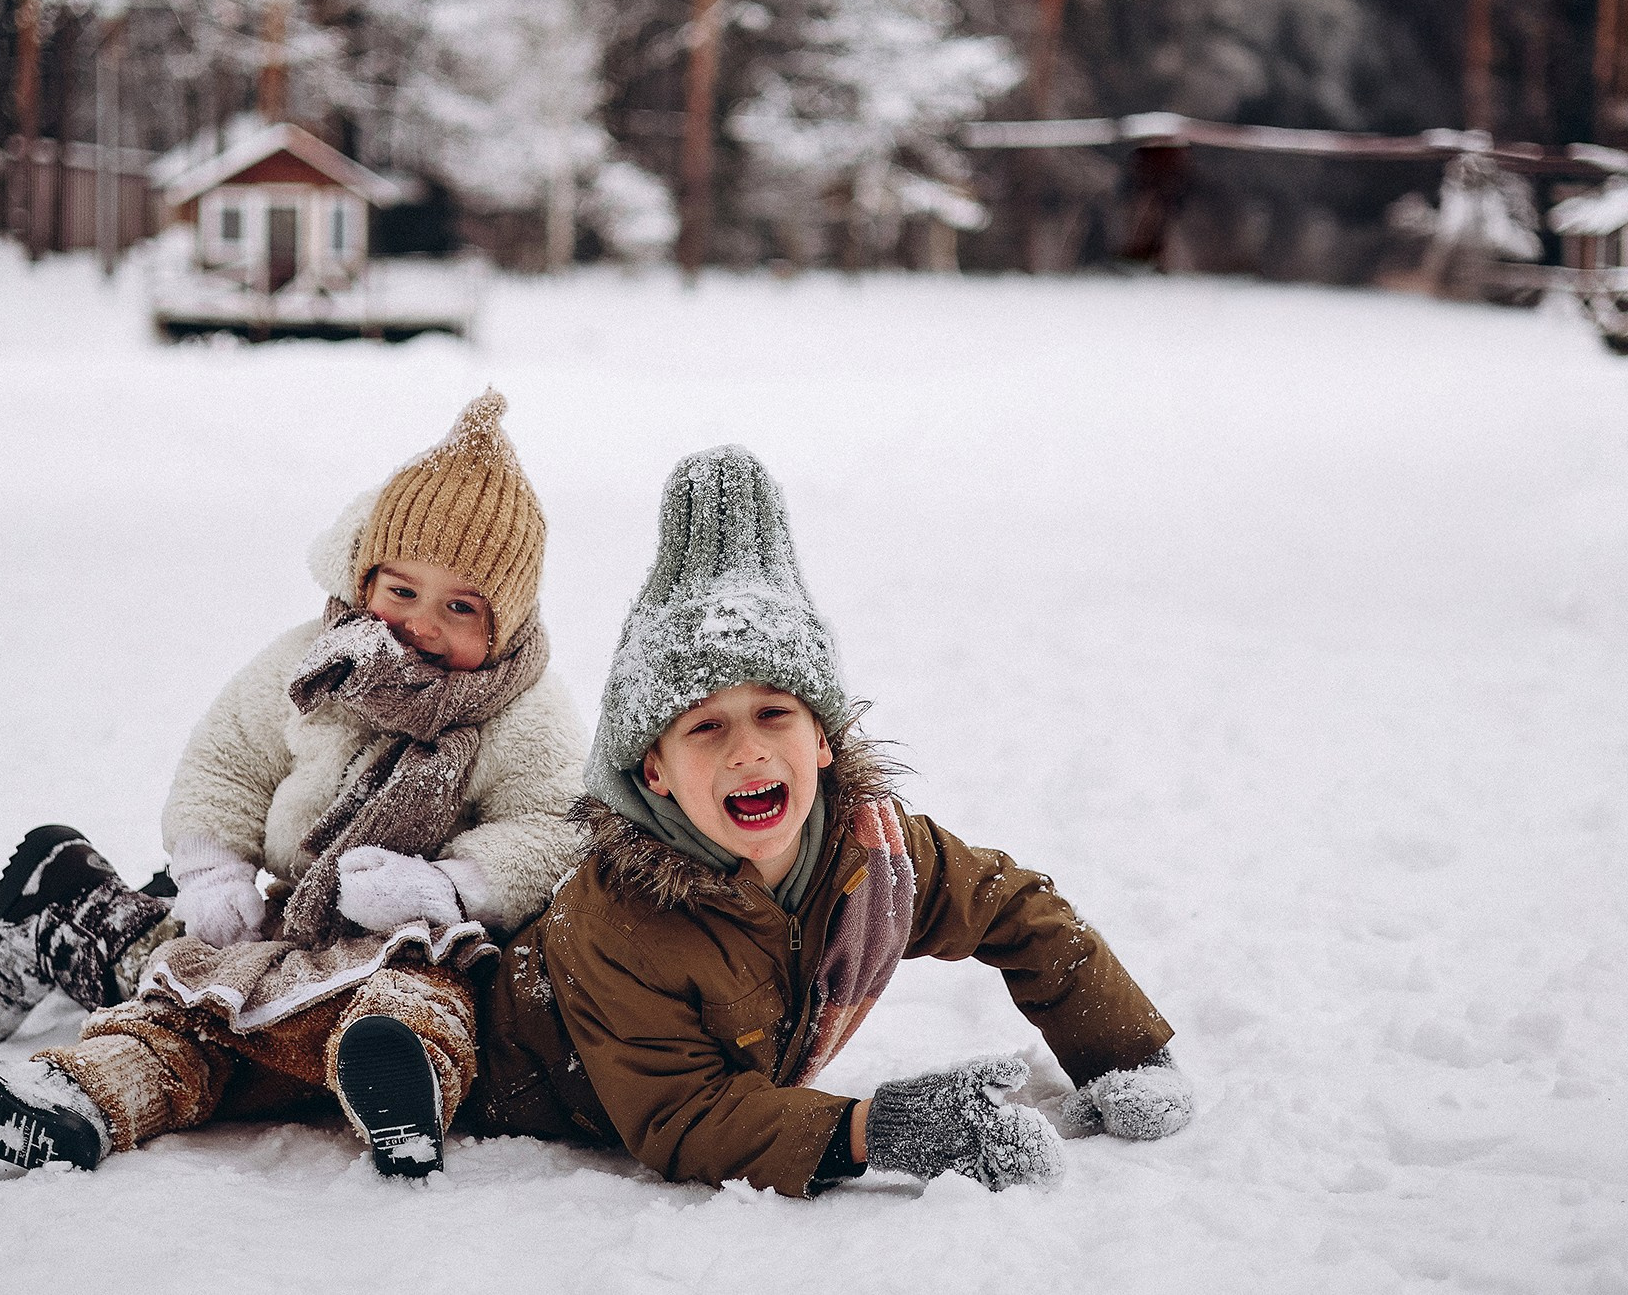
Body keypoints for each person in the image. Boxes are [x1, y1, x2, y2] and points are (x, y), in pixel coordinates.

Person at [467, 446, 1194, 1197]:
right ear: (653, 769)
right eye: (705, 727)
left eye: (774, 713)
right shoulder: (619, 919)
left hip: (724, 1076)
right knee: (418, 1030)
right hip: (516, 1071)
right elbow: (688, 1115)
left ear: (822, 737)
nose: (748, 749)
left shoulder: (870, 855)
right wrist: (877, 1128)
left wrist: (1124, 1053)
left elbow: (1012, 906)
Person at [0, 389, 587, 1177]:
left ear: (503, 622)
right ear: (364, 574)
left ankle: (398, 1090)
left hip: (422, 938)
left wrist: (448, 885)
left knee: (427, 1003)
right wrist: (212, 870)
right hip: (287, 925)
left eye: (460, 606)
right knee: (189, 1002)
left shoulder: (521, 707)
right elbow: (227, 761)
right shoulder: (315, 664)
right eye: (401, 590)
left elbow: (553, 821)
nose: (421, 623)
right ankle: (80, 1099)